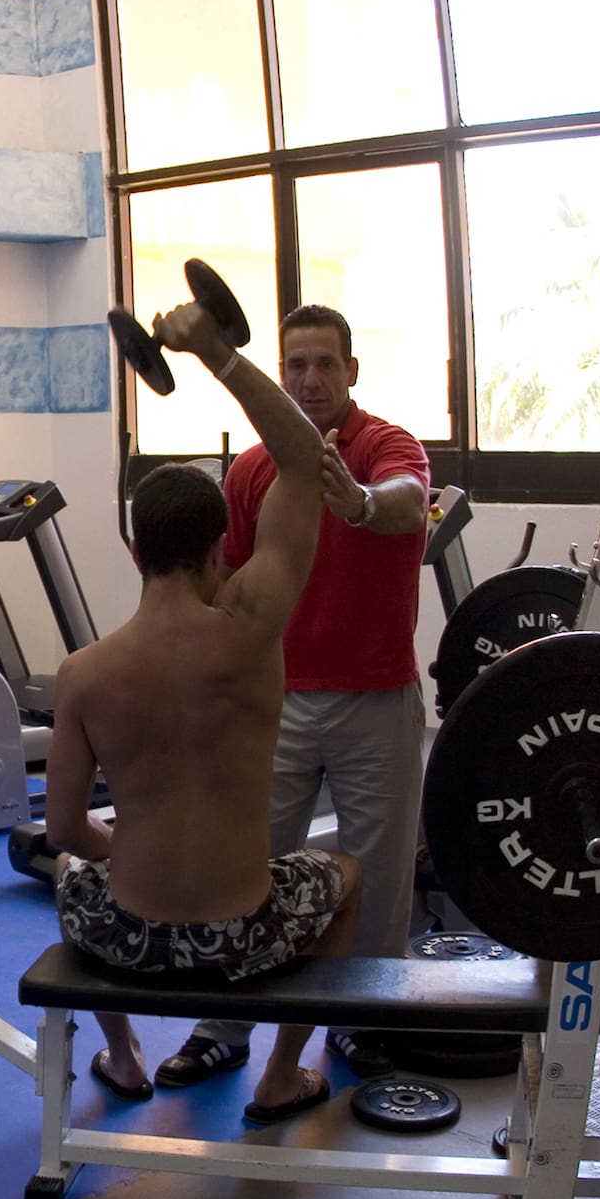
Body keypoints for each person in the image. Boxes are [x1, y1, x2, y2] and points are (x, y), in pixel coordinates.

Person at [44, 298, 363, 1123]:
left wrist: (129, 855)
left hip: (130, 938)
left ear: (133, 549)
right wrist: (217, 355)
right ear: (223, 547)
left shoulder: (82, 674)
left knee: (71, 879)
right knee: (347, 874)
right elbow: (303, 465)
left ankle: (121, 1053)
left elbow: (66, 831)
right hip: (243, 936)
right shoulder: (251, 629)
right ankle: (281, 1073)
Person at [157, 304, 430, 1090]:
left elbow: (408, 500)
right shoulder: (251, 470)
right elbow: (229, 584)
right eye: (296, 366)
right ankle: (225, 1026)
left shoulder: (385, 446)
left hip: (376, 696)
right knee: (248, 861)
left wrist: (359, 503)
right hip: (276, 698)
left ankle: (364, 1020)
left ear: (352, 371)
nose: (310, 379)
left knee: (375, 875)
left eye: (324, 364)